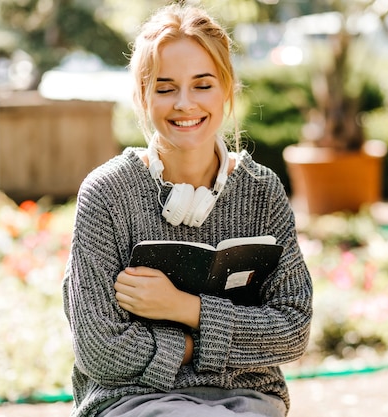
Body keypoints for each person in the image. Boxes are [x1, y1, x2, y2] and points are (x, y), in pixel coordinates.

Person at [62, 4, 313, 417]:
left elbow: (291, 330)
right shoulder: (106, 194)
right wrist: (215, 343)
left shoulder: (262, 190)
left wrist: (184, 308)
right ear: (142, 96)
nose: (184, 104)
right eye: (164, 88)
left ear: (227, 89)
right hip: (132, 402)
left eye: (202, 85)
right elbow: (100, 352)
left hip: (249, 400)